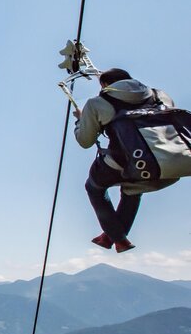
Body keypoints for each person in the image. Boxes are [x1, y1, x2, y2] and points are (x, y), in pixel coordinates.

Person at [74, 68, 176, 252]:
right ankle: (113, 238)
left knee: (94, 187)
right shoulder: (160, 96)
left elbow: (85, 141)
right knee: (133, 189)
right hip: (168, 166)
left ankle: (119, 239)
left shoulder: (98, 103)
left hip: (124, 164)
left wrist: (80, 121)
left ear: (105, 85)